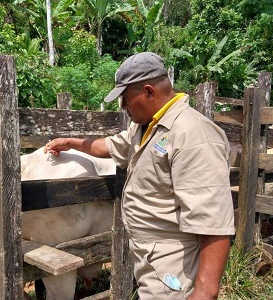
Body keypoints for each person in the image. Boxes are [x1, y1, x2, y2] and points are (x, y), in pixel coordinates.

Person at [44, 52, 235, 300]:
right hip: (151, 260)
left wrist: (205, 293)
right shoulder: (147, 128)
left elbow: (214, 223)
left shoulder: (193, 136)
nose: (123, 107)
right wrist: (72, 142)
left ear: (149, 92)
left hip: (175, 267)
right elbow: (111, 146)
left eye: (125, 98)